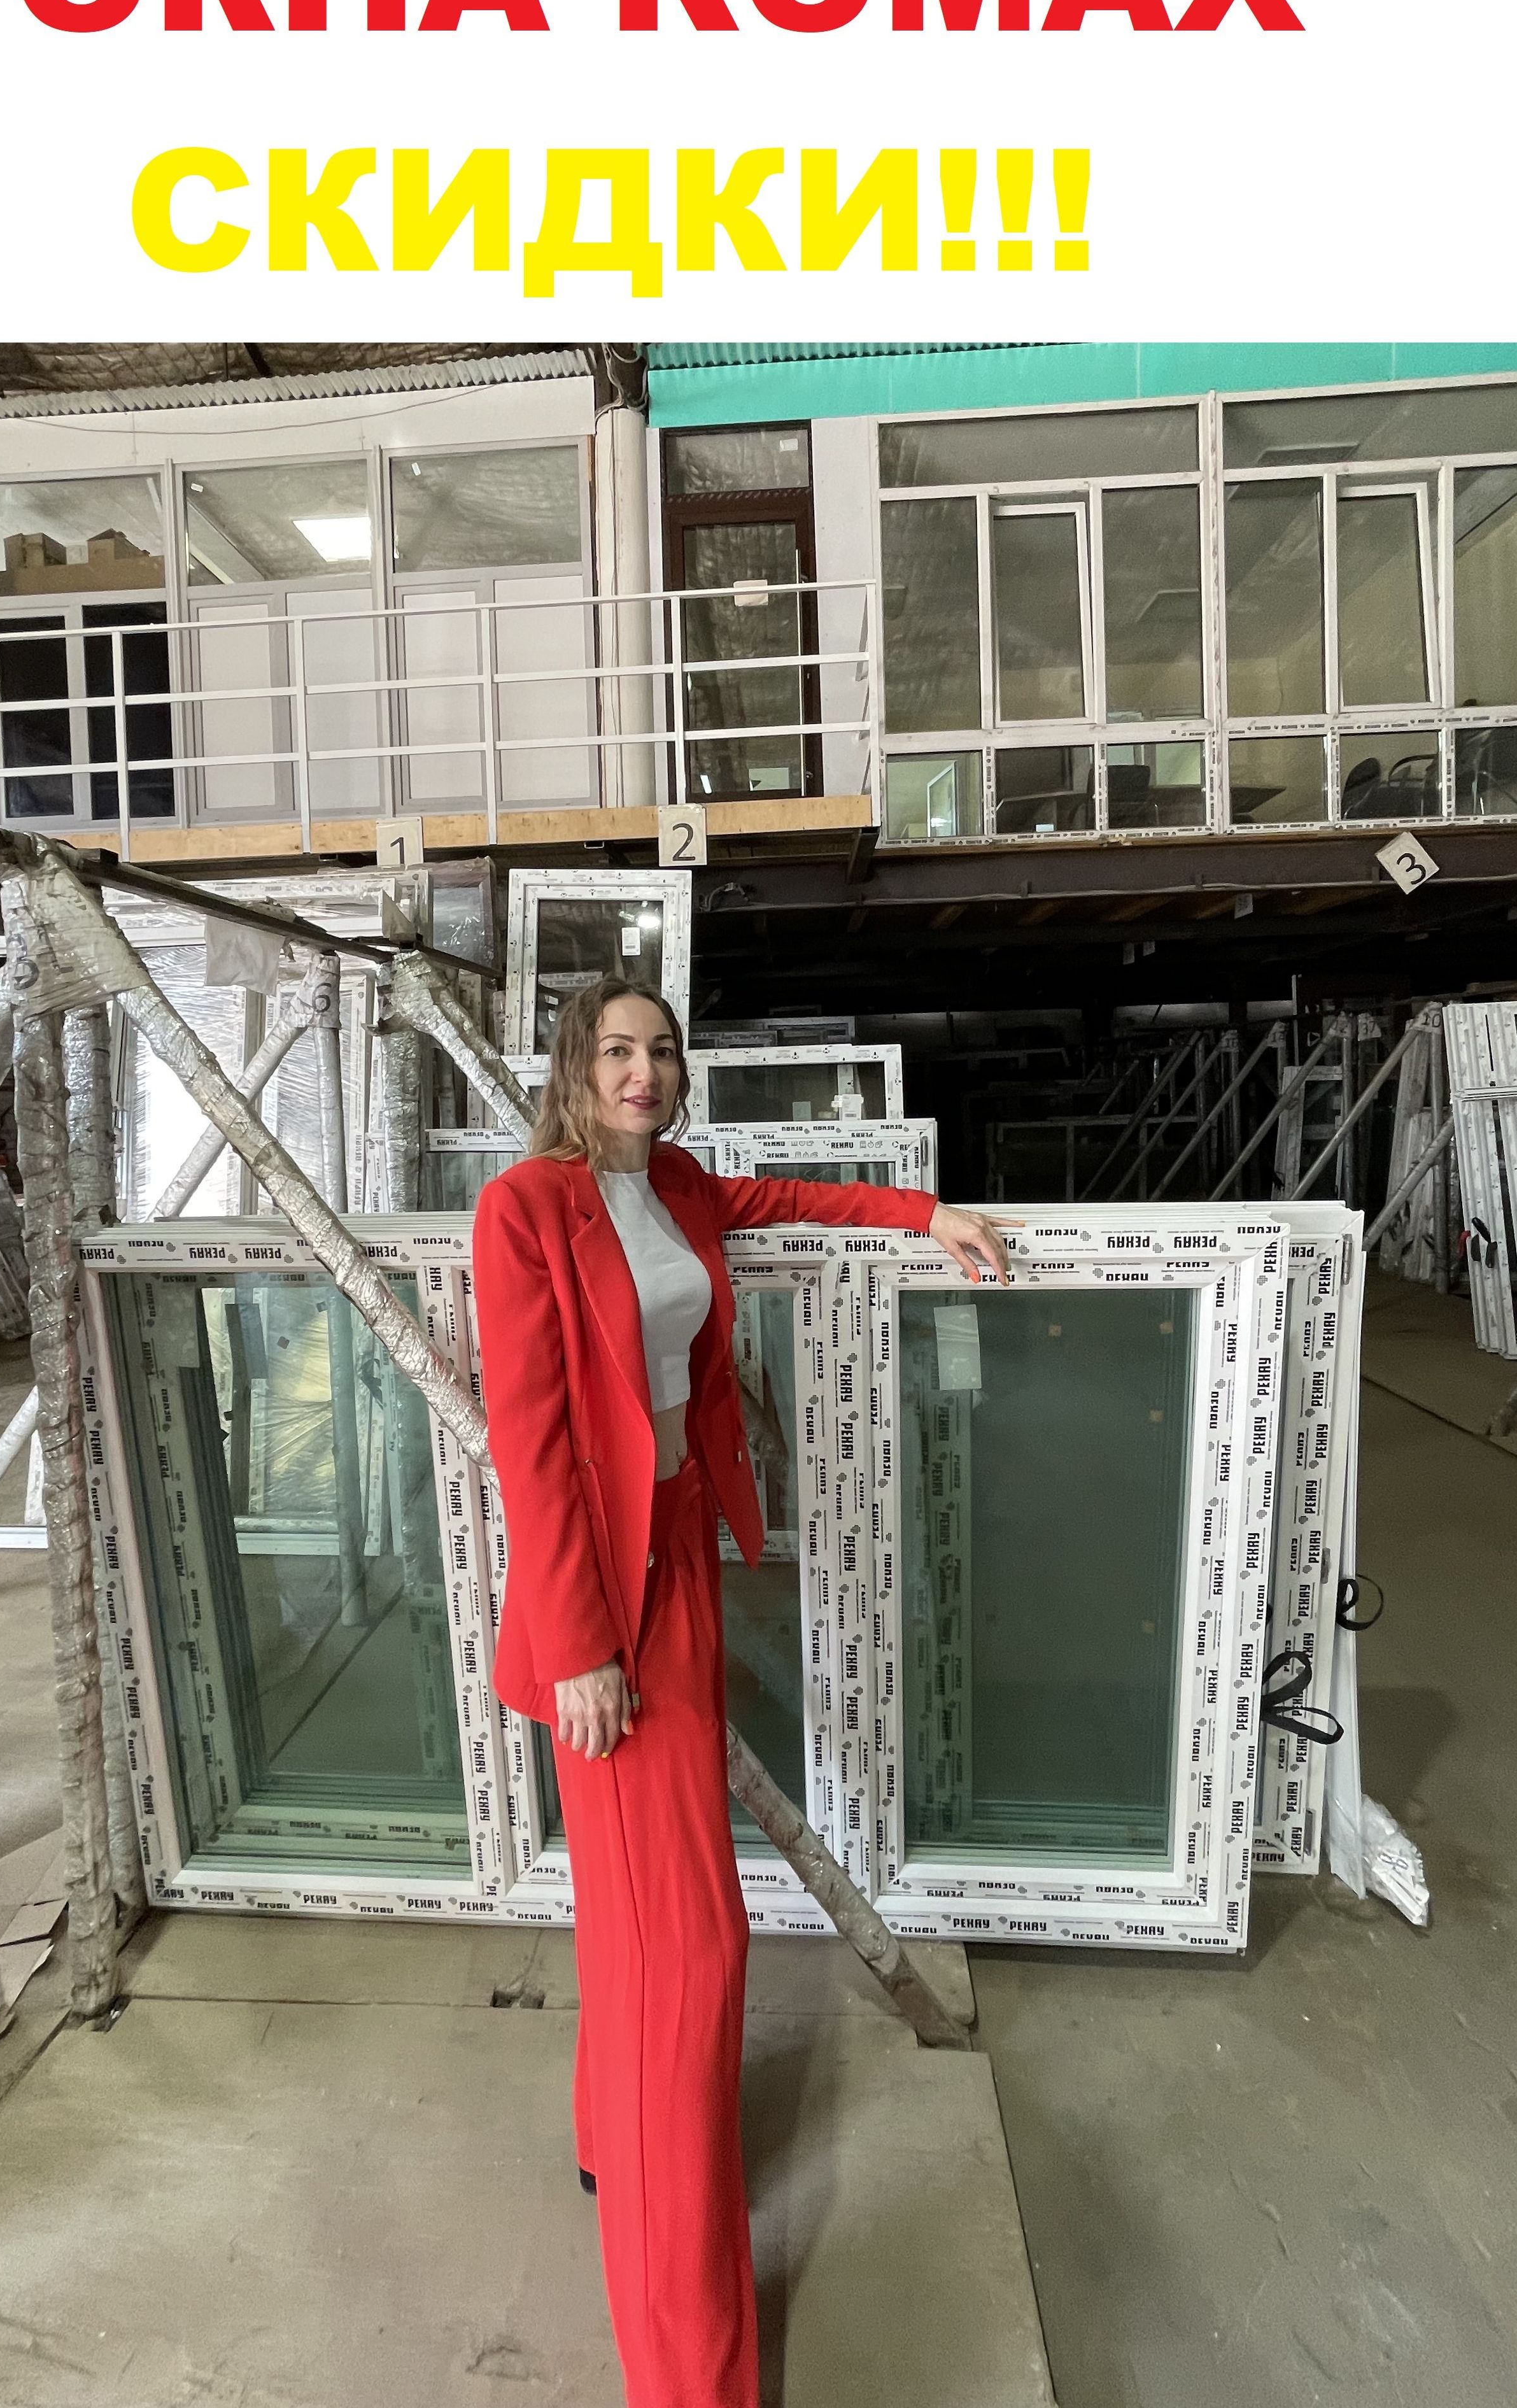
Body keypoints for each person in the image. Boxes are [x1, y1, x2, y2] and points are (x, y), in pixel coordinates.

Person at [472, 976, 1007, 2408]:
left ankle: (609, 2142)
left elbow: (794, 1200)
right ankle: (685, 2371)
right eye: (615, 1051)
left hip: (681, 1558)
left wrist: (925, 1214)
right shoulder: (524, 1209)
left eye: (659, 1052)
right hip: (602, 1608)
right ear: (574, 1068)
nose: (640, 1072)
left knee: (634, 1916)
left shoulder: (681, 1187)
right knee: (689, 1948)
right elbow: (530, 1444)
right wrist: (580, 1646)